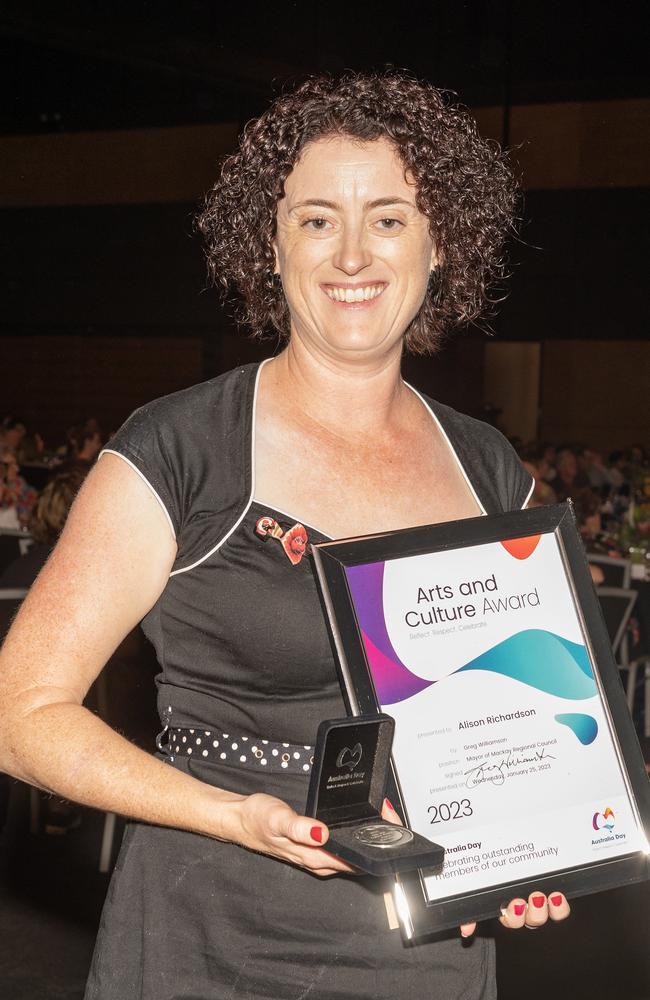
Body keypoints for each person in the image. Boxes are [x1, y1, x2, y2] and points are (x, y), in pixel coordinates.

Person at [0, 73, 570, 1000]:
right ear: (269, 246)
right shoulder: (181, 448)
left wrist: (529, 846)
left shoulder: (489, 469)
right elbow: (19, 717)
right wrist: (231, 817)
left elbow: (532, 720)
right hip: (210, 922)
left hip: (422, 946)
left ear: (441, 244)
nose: (352, 253)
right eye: (315, 220)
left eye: (389, 218)